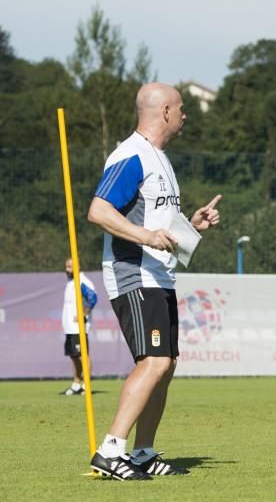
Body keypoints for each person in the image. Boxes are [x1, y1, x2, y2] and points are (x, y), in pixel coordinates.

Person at [86, 82, 222, 480]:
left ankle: (143, 452)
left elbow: (161, 228)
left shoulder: (159, 158)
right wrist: (145, 237)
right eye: (180, 108)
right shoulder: (131, 155)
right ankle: (111, 450)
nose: (185, 114)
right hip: (133, 274)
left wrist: (191, 226)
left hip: (159, 275)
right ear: (164, 111)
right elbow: (98, 210)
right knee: (154, 360)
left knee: (167, 363)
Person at [61, 257, 98, 395]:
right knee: (74, 356)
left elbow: (93, 297)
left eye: (70, 267)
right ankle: (76, 384)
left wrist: (84, 313)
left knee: (83, 356)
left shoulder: (82, 281)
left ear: (78, 266)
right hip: (70, 327)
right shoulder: (71, 283)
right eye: (66, 267)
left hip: (79, 327)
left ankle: (86, 386)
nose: (67, 269)